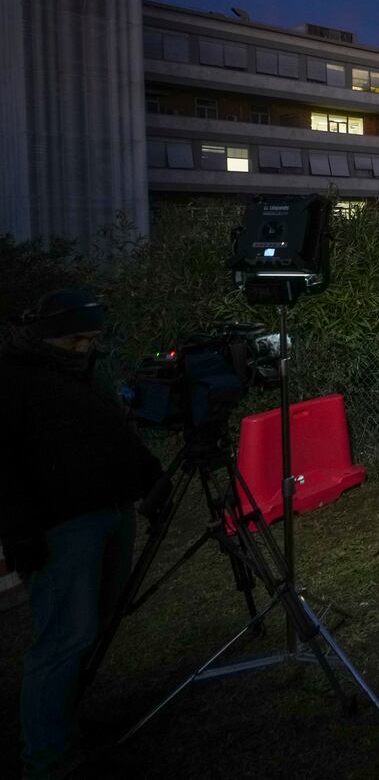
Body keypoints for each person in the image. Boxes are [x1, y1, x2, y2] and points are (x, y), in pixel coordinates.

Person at [0, 289, 164, 778]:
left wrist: (149, 473)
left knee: (94, 625)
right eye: (76, 340)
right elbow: (3, 467)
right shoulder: (13, 379)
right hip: (61, 528)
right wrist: (19, 532)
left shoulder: (82, 371)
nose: (85, 349)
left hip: (111, 512)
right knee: (64, 637)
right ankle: (47, 757)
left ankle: (65, 720)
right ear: (47, 334)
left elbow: (114, 430)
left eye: (91, 340)